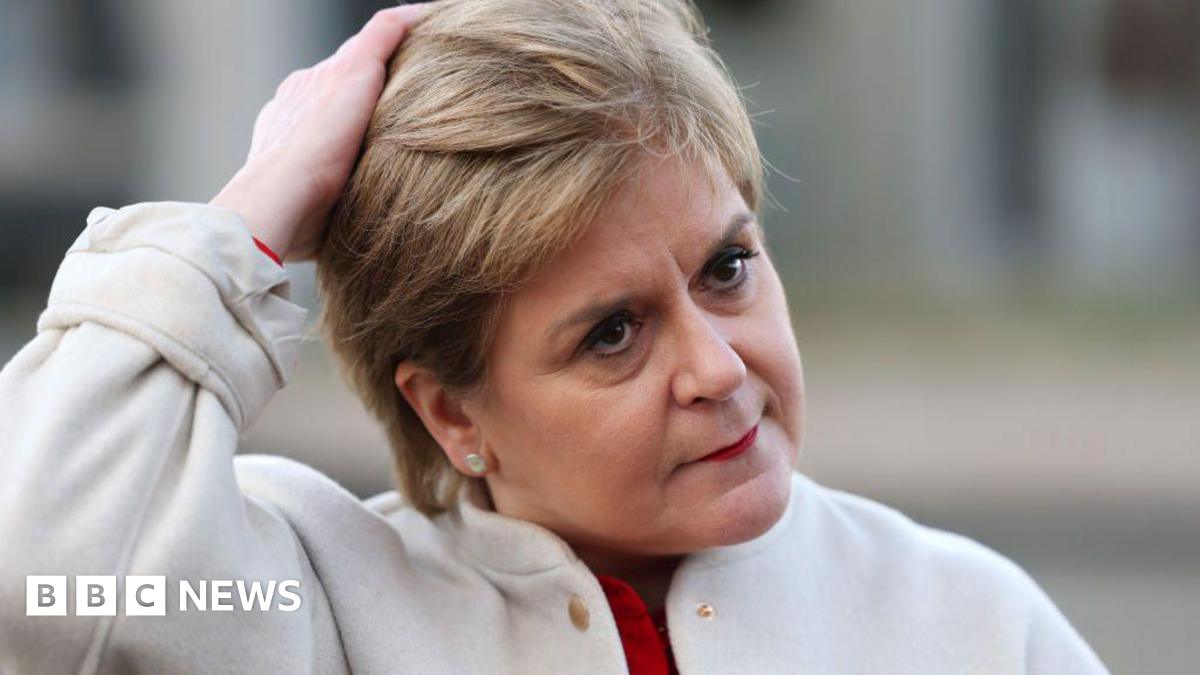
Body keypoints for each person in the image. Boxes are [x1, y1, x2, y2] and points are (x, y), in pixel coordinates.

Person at [0, 0, 1109, 673]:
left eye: (728, 269)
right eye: (612, 334)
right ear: (451, 413)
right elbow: (41, 575)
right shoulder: (310, 606)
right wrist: (245, 220)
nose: (719, 370)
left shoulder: (963, 620)